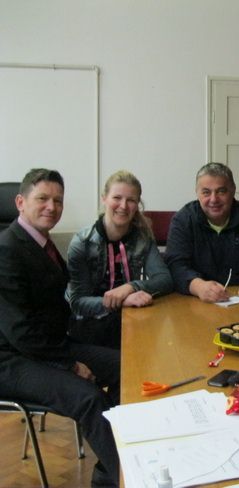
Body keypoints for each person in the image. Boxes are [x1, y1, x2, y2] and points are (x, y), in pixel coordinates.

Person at [0, 169, 120, 487]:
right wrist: (70, 365)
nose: (51, 207)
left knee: (126, 366)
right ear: (20, 202)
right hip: (12, 359)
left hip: (47, 344)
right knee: (90, 399)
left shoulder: (42, 244)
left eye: (58, 200)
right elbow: (21, 333)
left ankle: (110, 470)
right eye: (43, 199)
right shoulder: (7, 249)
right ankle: (125, 476)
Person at [66, 171, 173, 349]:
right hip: (89, 325)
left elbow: (165, 280)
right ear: (104, 199)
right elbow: (77, 303)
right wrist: (121, 301)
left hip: (129, 319)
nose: (123, 206)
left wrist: (130, 287)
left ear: (137, 205)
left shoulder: (143, 238)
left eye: (131, 200)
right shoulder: (82, 243)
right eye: (117, 198)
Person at [165, 163, 239, 302]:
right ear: (197, 193)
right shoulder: (183, 220)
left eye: (221, 191)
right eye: (206, 192)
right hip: (195, 301)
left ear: (233, 191)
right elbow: (175, 265)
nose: (214, 199)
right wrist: (198, 287)